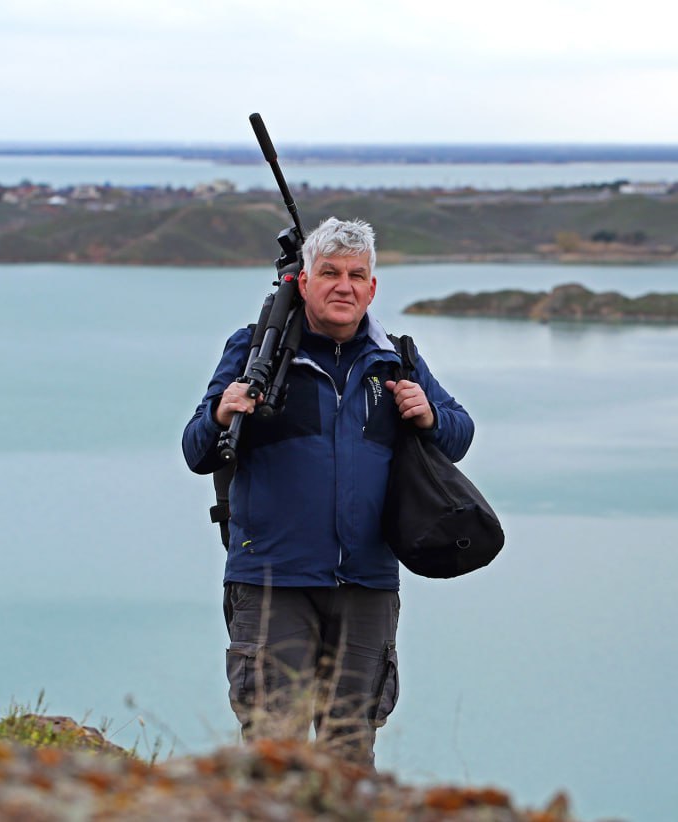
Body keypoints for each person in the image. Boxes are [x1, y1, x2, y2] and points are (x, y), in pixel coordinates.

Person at [181, 217, 474, 766]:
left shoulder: (395, 358)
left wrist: (429, 414)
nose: (345, 286)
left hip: (367, 582)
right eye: (331, 273)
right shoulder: (253, 350)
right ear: (304, 282)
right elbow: (197, 450)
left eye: (357, 275)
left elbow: (458, 436)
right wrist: (222, 412)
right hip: (272, 580)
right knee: (273, 752)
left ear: (372, 287)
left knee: (349, 752)